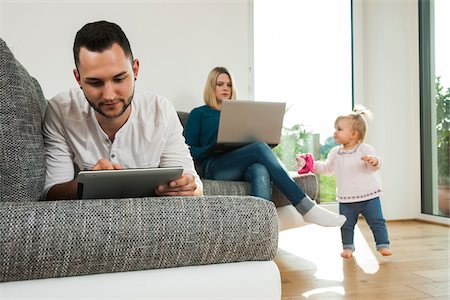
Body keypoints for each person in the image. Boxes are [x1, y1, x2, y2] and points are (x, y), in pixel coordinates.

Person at [42, 20, 202, 200]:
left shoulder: (161, 111)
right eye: (95, 83)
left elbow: (195, 188)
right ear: (78, 78)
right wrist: (87, 183)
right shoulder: (60, 111)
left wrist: (184, 187)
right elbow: (50, 192)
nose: (109, 95)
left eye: (119, 79)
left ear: (135, 70)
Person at [184, 66, 346, 227]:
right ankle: (306, 207)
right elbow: (188, 149)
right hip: (215, 166)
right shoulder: (199, 113)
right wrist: (212, 147)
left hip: (243, 161)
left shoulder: (239, 113)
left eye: (229, 84)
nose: (226, 88)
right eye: (220, 84)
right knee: (259, 148)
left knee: (259, 169)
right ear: (211, 86)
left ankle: (260, 232)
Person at [295, 105, 391, 258]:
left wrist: (373, 161)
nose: (335, 133)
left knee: (377, 221)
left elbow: (375, 165)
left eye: (339, 129)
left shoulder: (364, 150)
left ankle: (382, 244)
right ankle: (348, 247)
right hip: (347, 199)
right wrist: (310, 165)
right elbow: (327, 169)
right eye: (335, 129)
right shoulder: (335, 153)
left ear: (353, 134)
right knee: (346, 225)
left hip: (369, 197)